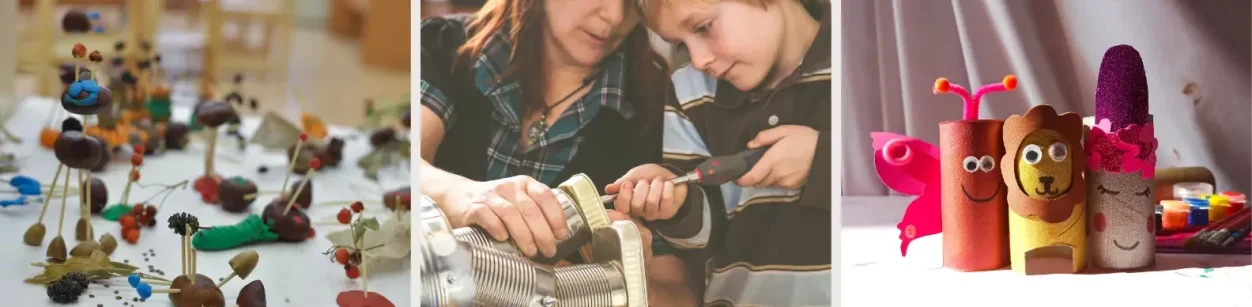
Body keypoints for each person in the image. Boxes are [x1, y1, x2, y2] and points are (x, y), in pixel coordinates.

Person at [419, 0, 697, 304]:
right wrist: (464, 197)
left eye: (633, 3)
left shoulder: (658, 109)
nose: (614, 17)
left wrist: (628, 280)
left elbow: (682, 292)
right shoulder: (442, 45)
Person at [606, 0, 832, 305]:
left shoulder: (857, 67)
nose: (699, 60)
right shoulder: (688, 92)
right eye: (681, 45)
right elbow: (700, 248)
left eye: (703, 28)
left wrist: (822, 161)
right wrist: (678, 206)